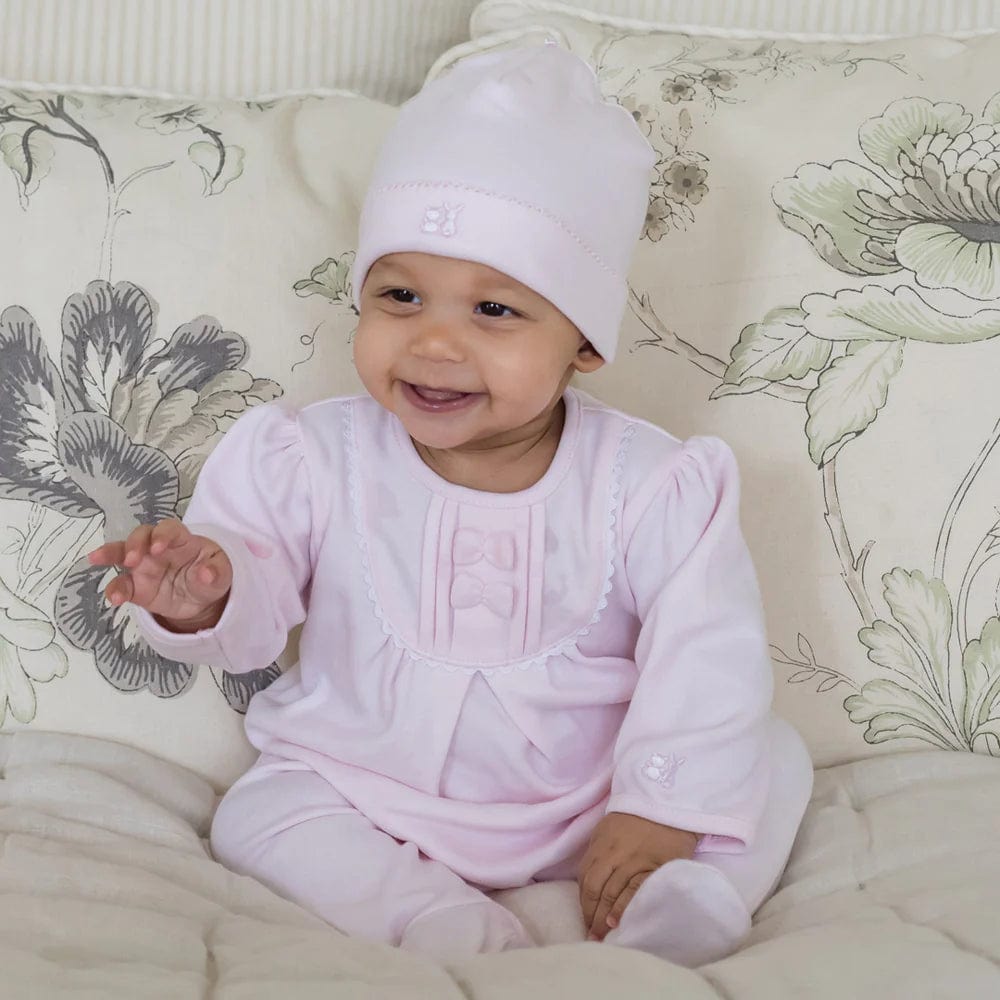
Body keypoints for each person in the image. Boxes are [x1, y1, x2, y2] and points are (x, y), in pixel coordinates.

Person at [88, 44, 813, 966]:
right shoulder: (314, 456)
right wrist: (204, 594)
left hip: (594, 804)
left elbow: (706, 654)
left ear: (585, 343)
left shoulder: (654, 482)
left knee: (766, 757)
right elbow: (253, 620)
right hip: (369, 785)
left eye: (494, 311)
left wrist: (656, 808)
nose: (434, 343)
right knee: (260, 812)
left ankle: (668, 901)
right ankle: (439, 920)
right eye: (400, 296)